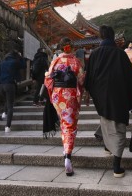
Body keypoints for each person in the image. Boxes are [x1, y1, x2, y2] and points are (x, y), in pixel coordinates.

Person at [85, 25, 132, 178]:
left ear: (101, 37)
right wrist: (131, 96)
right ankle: (116, 166)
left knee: (106, 118)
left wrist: (94, 93)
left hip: (101, 95)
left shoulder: (95, 54)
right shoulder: (120, 54)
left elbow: (88, 78)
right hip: (119, 95)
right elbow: (130, 78)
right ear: (112, 37)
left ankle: (106, 145)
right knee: (118, 127)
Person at [44, 37, 85, 176]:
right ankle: (68, 156)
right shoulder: (75, 61)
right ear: (71, 47)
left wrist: (52, 93)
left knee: (63, 123)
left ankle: (65, 148)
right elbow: (81, 80)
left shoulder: (55, 61)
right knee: (70, 126)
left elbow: (48, 78)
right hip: (70, 95)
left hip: (57, 95)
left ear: (61, 48)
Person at [0, 49, 25, 132]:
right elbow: (23, 66)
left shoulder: (1, 63)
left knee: (6, 100)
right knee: (10, 106)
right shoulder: (14, 62)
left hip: (1, 85)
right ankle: (7, 126)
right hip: (9, 84)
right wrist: (21, 57)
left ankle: (4, 113)